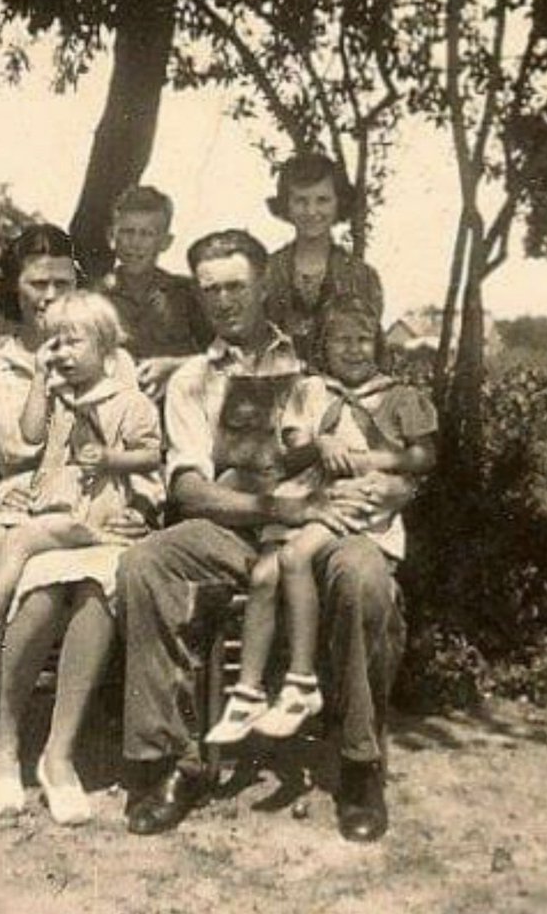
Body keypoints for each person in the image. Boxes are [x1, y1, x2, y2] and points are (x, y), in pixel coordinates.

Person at [118, 229, 414, 842]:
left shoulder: (317, 357)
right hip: (238, 526)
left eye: (236, 286)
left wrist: (378, 491)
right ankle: (178, 759)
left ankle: (360, 765)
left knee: (363, 575)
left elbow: (386, 440)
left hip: (323, 524)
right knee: (147, 562)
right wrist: (270, 504)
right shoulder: (192, 379)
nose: (224, 301)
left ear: (262, 287)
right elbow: (189, 491)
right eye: (210, 291)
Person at [0, 225, 152, 823]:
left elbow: (134, 442)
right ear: (15, 287)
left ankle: (59, 755)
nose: (50, 295)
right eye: (37, 283)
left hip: (92, 513)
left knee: (92, 575)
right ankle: (5, 746)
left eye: (62, 282)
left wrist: (136, 505)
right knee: (19, 556)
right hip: (17, 519)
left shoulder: (115, 361)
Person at [205, 302, 437, 744]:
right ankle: (249, 692)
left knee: (293, 558)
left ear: (380, 345)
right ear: (325, 346)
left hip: (361, 496)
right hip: (309, 491)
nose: (352, 349)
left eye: (363, 339)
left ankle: (300, 682)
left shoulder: (399, 396)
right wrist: (322, 442)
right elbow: (292, 446)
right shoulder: (311, 390)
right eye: (341, 340)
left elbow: (423, 457)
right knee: (263, 574)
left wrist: (369, 459)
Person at [0, 291, 163, 675]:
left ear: (104, 345)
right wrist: (40, 375)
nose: (63, 354)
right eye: (56, 344)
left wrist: (110, 459)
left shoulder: (128, 400)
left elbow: (152, 455)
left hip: (96, 512)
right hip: (53, 507)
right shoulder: (58, 396)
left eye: (74, 343)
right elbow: (31, 434)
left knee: (21, 539)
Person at [265, 153, 383, 368]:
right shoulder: (266, 273)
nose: (312, 211)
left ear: (339, 203)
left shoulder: (362, 277)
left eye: (322, 200)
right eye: (301, 200)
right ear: (286, 205)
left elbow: (371, 353)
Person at [100, 185, 209, 400]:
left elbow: (223, 358)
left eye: (147, 234)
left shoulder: (187, 295)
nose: (135, 243)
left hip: (176, 414)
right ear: (111, 235)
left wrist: (176, 366)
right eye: (127, 232)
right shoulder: (95, 298)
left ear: (165, 242)